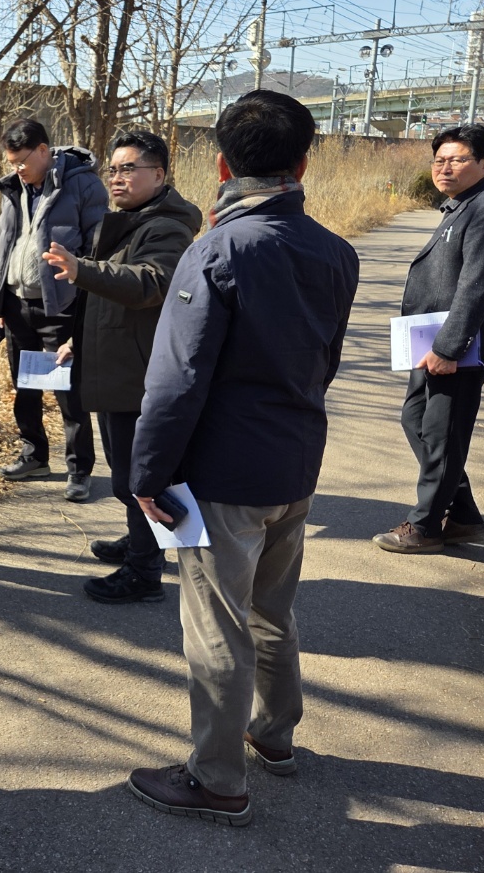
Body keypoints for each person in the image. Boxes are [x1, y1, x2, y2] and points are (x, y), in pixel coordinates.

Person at [126, 90, 359, 826]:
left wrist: (147, 474)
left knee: (217, 624)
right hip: (294, 463)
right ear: (304, 162)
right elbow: (325, 361)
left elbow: (176, 379)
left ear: (221, 163)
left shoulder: (218, 248)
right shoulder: (335, 251)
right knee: (272, 611)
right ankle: (275, 735)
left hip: (223, 476)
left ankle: (218, 779)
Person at [43, 129, 201, 604]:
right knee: (127, 475)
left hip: (140, 373)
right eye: (112, 169)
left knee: (139, 477)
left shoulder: (167, 226)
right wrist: (79, 342)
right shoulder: (131, 220)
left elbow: (150, 283)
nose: (117, 177)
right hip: (116, 363)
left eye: (129, 168)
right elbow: (108, 302)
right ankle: (142, 542)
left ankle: (145, 572)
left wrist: (82, 269)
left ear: (160, 174)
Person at [373, 124, 484, 553]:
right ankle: (465, 518)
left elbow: (478, 283)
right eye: (439, 160)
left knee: (440, 432)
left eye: (458, 159)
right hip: (435, 342)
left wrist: (449, 347)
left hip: (460, 348)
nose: (445, 167)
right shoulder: (461, 205)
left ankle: (426, 527)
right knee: (418, 421)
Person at [0, 118, 108, 501]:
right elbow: (2, 243)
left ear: (44, 150)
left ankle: (80, 469)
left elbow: (96, 248)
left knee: (67, 392)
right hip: (16, 301)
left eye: (22, 160)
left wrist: (85, 304)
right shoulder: (14, 187)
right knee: (25, 386)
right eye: (11, 162)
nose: (17, 169)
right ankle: (34, 455)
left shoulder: (83, 184)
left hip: (60, 305)